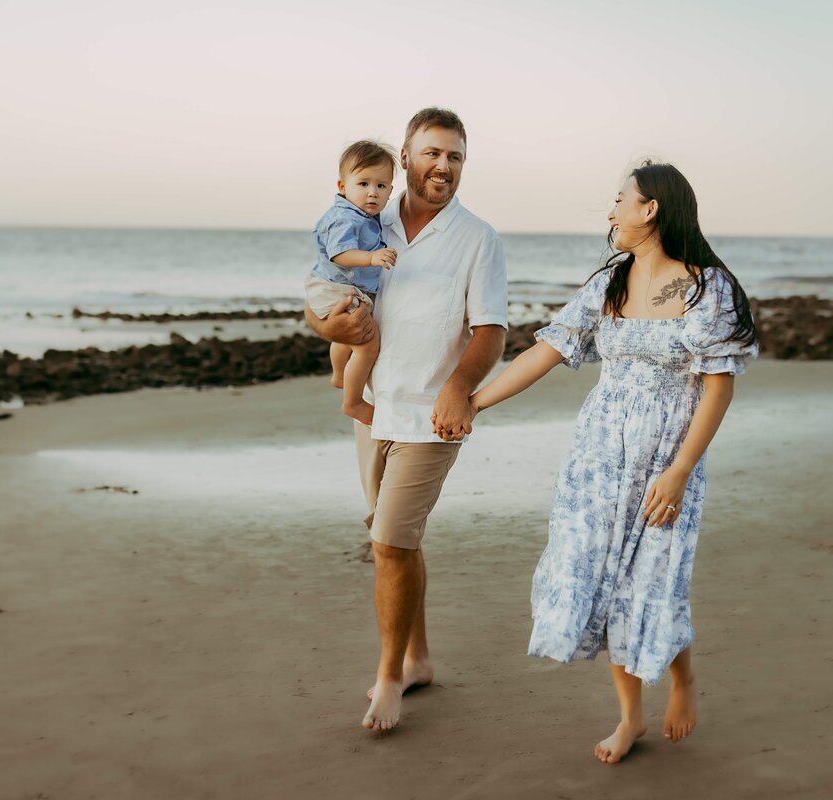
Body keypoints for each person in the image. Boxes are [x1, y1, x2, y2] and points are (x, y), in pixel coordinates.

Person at [469, 161, 759, 764]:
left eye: (619, 199)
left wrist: (679, 471)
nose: (611, 211)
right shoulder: (610, 284)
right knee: (602, 585)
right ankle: (630, 719)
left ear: (649, 209)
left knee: (651, 582)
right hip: (599, 458)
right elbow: (547, 350)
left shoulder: (706, 288)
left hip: (666, 461)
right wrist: (473, 403)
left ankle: (682, 677)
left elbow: (718, 387)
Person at [304, 108, 507, 732]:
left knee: (388, 542)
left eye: (455, 156)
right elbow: (324, 302)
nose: (443, 166)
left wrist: (458, 388)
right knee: (398, 540)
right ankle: (418, 658)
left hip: (431, 416)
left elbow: (491, 330)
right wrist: (326, 326)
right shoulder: (370, 216)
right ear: (407, 158)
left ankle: (389, 677)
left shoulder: (478, 237)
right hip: (375, 411)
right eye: (431, 153)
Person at [305, 140, 399, 426]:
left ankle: (337, 374)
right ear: (342, 186)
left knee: (346, 336)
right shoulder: (345, 218)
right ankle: (353, 401)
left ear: (390, 192)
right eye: (363, 184)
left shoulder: (368, 216)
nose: (373, 192)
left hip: (337, 288)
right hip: (337, 288)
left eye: (381, 187)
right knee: (367, 344)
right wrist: (371, 259)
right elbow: (340, 253)